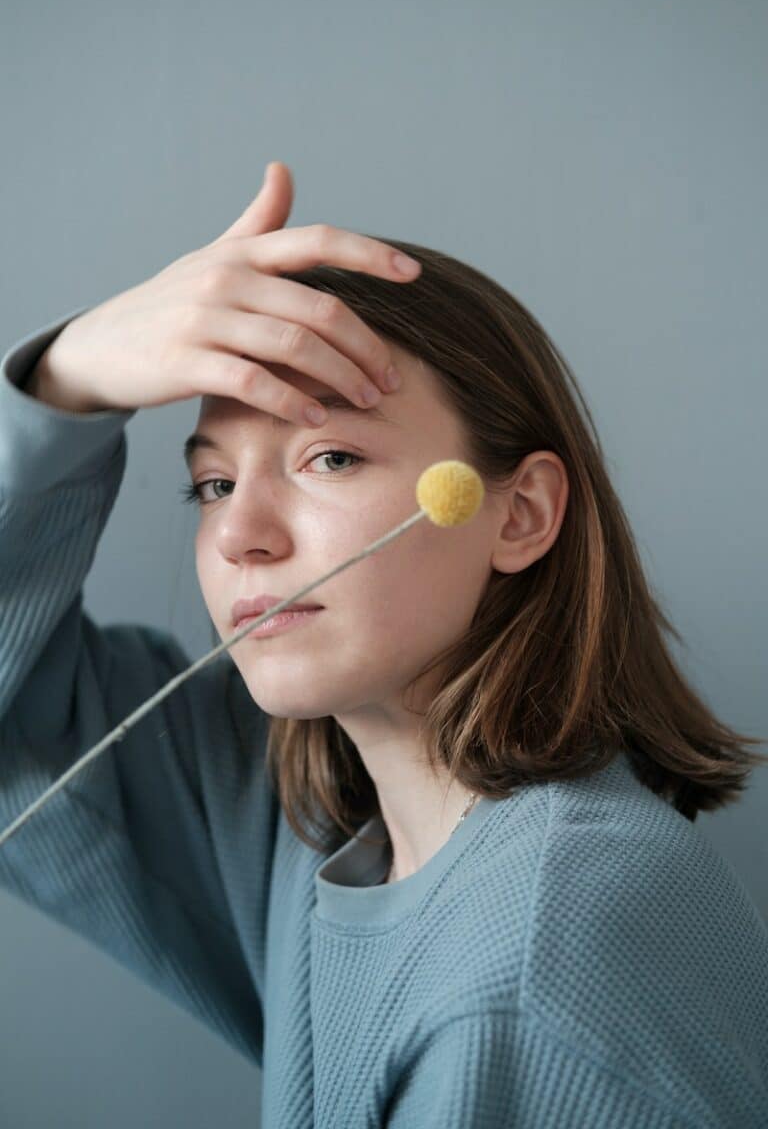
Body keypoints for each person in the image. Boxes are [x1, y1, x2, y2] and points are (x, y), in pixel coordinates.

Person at [1, 161, 767, 1127]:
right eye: (214, 485)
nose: (241, 535)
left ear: (521, 513)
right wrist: (69, 378)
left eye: (330, 456)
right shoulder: (298, 820)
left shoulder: (539, 959)